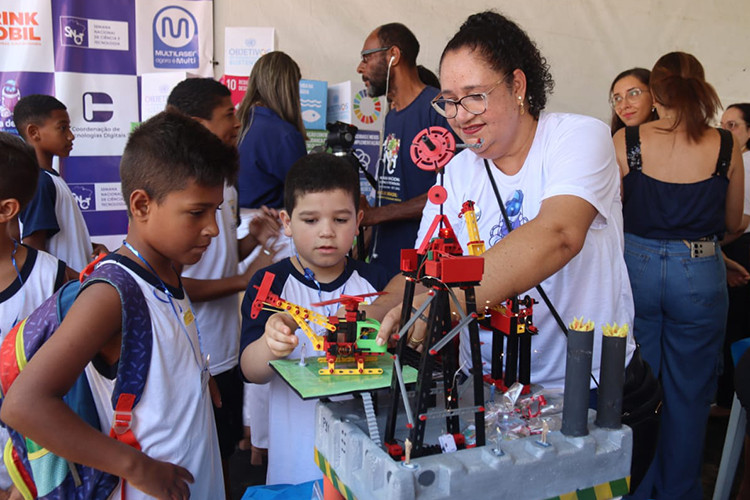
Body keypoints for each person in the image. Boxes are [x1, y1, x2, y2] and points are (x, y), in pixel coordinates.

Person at [371, 10, 657, 493]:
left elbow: (558, 234)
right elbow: (422, 270)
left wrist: (446, 304)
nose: (461, 116)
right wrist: (375, 310)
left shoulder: (576, 138)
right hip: (487, 393)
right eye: (449, 102)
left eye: (475, 97)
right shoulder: (457, 173)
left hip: (580, 391)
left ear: (518, 84)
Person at [1, 110, 237, 499]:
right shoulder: (112, 294)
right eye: (197, 212)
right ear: (141, 205)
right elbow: (23, 404)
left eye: (216, 210)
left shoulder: (167, 274)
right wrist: (138, 467)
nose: (212, 227)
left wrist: (197, 380)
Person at [613, 52, 744, 499]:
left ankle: (636, 488)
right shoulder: (726, 144)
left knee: (638, 390)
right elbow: (732, 223)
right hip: (701, 268)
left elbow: (608, 217)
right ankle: (679, 491)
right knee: (690, 394)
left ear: (656, 92)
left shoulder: (627, 140)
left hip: (637, 266)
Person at [239, 153, 390, 485]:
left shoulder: (379, 285)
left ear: (359, 219)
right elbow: (251, 370)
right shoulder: (269, 285)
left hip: (365, 459)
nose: (327, 233)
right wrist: (271, 343)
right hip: (296, 459)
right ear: (287, 222)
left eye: (340, 219)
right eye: (310, 220)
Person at [165, 77, 279, 498]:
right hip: (200, 350)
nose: (237, 121)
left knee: (225, 447)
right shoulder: (178, 186)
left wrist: (252, 239)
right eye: (228, 114)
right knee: (200, 457)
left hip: (226, 349)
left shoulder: (223, 181)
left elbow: (220, 253)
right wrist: (243, 282)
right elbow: (173, 282)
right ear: (198, 123)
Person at [235, 50, 308, 467]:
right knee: (278, 340)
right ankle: (265, 442)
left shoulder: (244, 126)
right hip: (274, 235)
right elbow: (305, 192)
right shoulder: (281, 132)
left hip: (246, 236)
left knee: (255, 337)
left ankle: (253, 436)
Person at [356, 23, 457, 278]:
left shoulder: (439, 109)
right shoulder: (391, 116)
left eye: (366, 58)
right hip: (384, 261)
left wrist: (376, 215)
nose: (360, 68)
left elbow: (451, 194)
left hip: (422, 268)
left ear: (393, 56)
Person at [0, 132, 67, 500]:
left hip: (31, 471)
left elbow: (72, 387)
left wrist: (26, 475)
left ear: (6, 209)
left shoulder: (53, 279)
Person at [13, 94, 103, 273]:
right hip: (62, 296)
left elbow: (58, 239)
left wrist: (89, 247)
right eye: (62, 128)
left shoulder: (51, 179)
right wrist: (76, 281)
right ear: (33, 132)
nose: (71, 136)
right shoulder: (40, 183)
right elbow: (35, 252)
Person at [715, 103, 750, 413]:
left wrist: (710, 247)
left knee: (735, 328)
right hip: (732, 249)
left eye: (734, 125)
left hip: (742, 249)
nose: (725, 131)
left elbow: (741, 222)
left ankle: (729, 402)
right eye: (723, 124)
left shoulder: (746, 163)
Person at [609, 68, 659, 135]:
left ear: (654, 96)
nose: (624, 106)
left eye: (633, 94)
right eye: (617, 99)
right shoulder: (613, 141)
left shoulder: (672, 138)